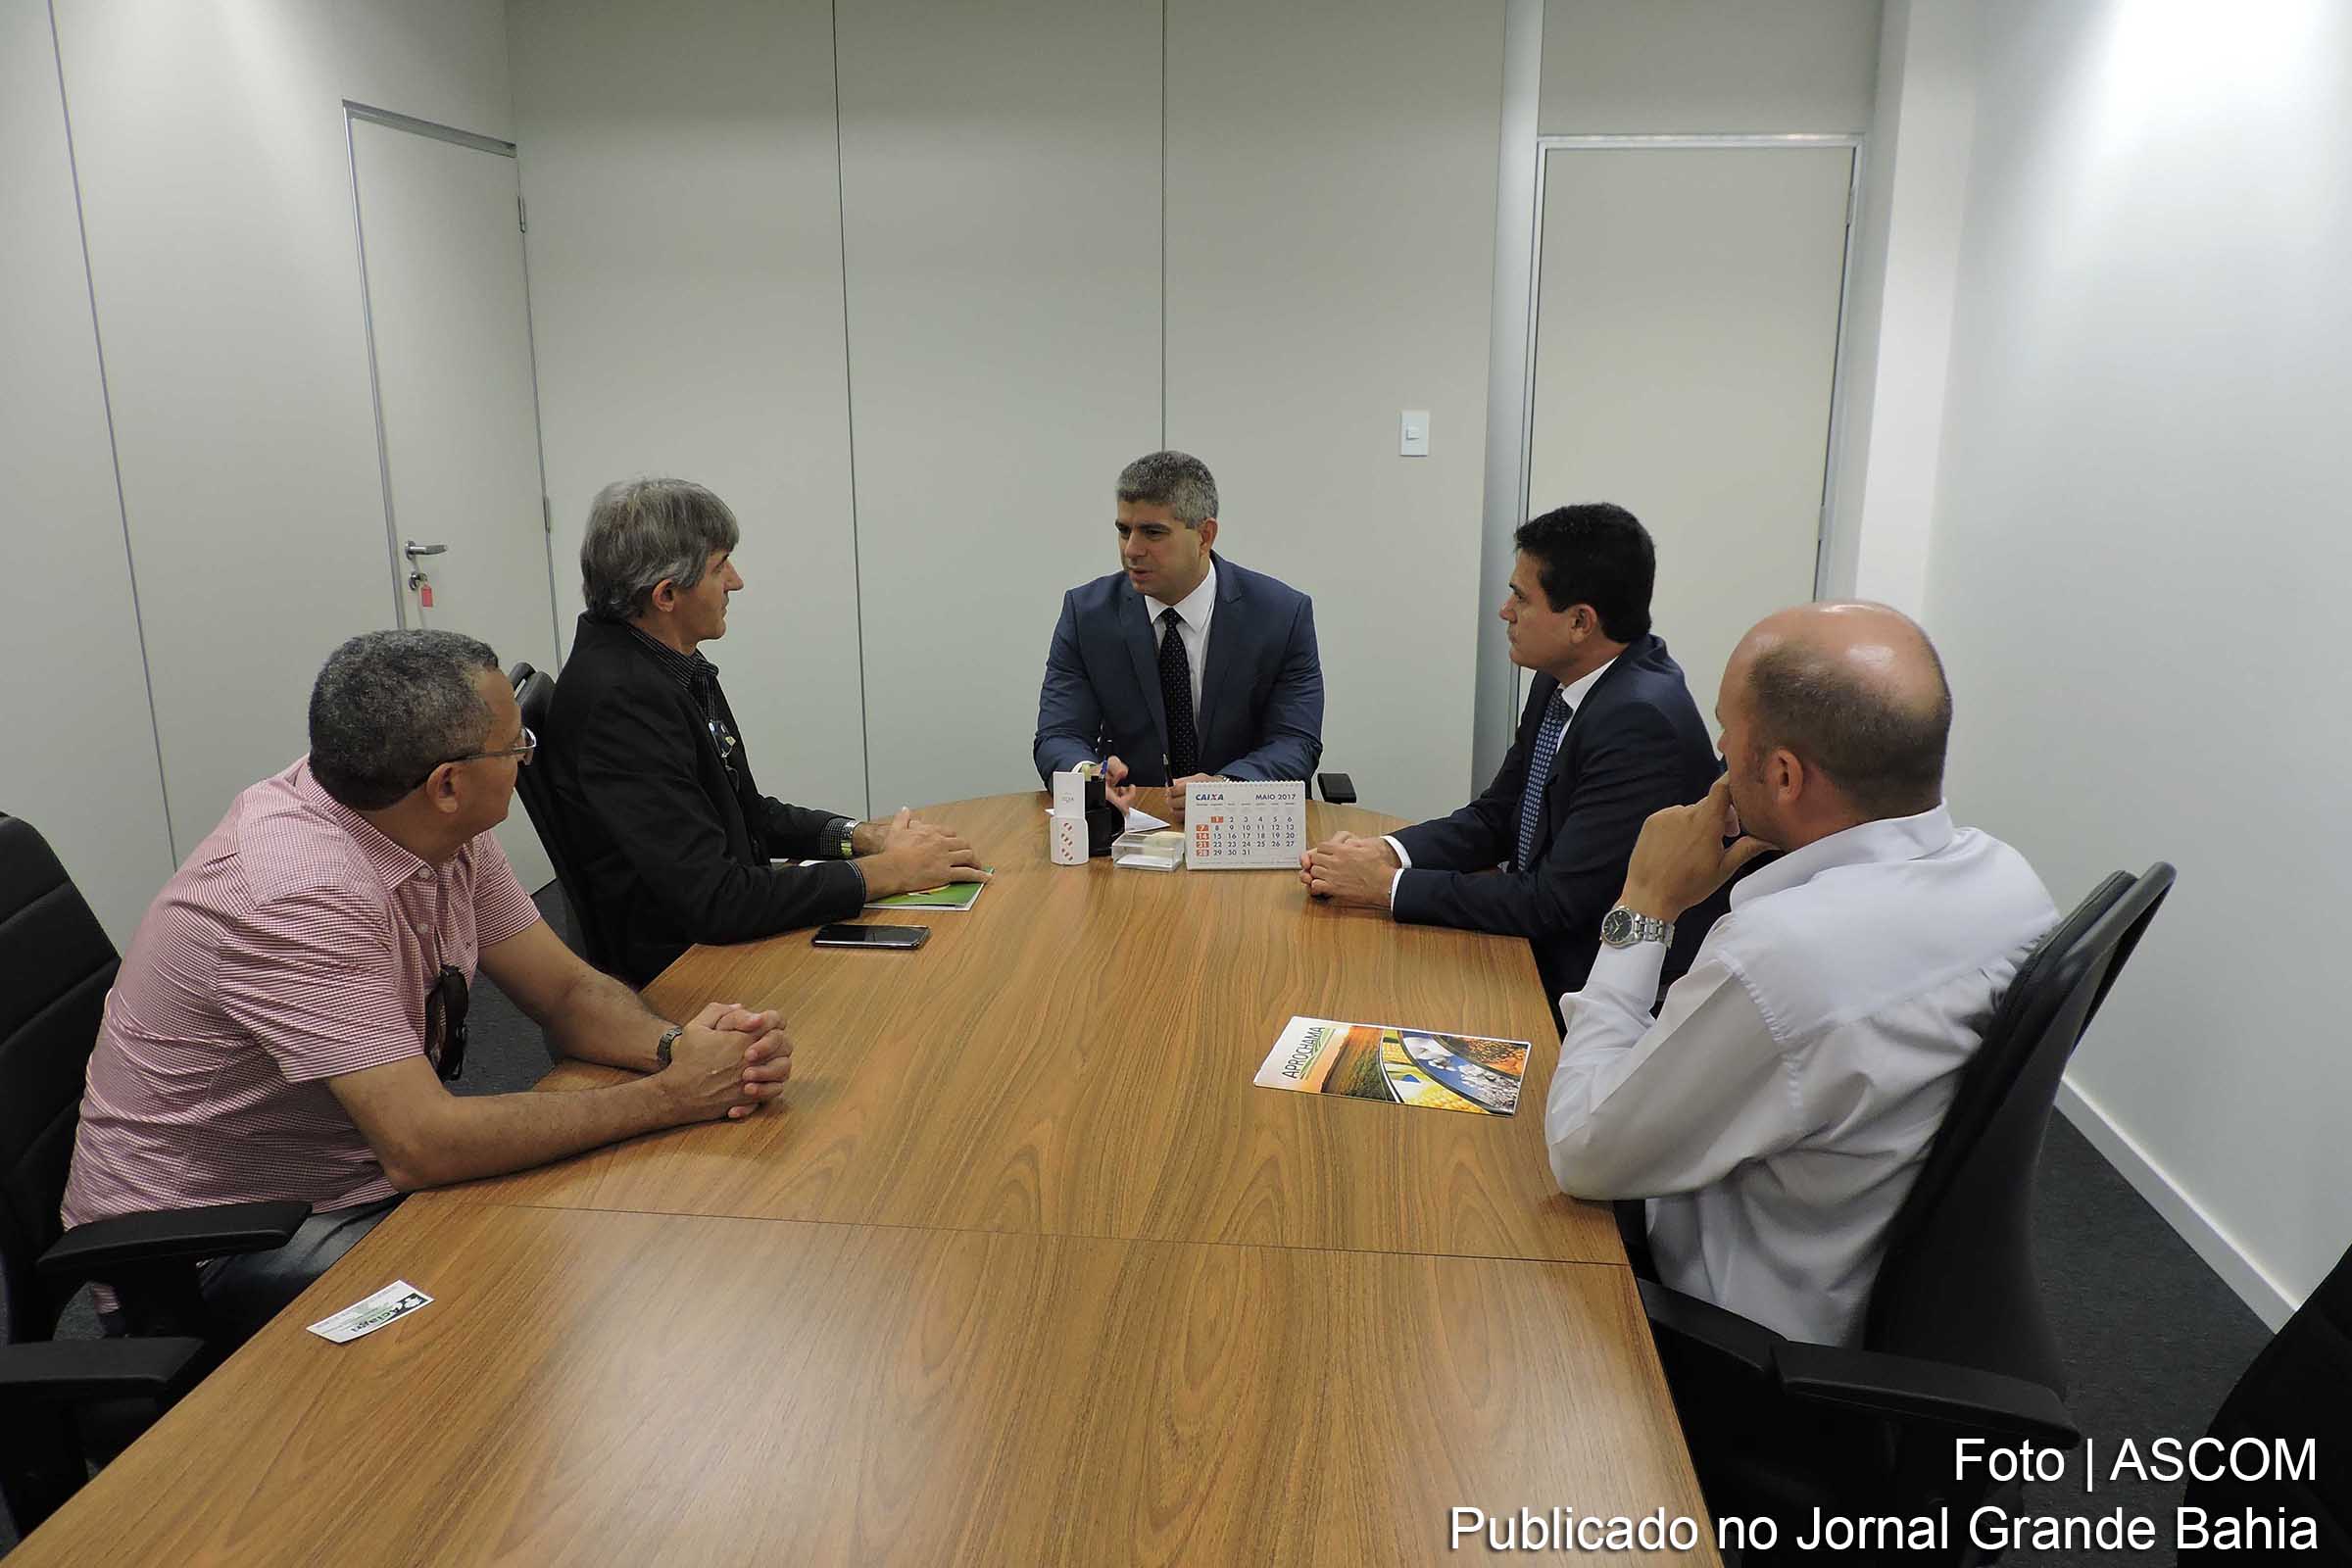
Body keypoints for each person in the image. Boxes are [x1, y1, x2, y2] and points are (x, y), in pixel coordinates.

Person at [63, 629, 794, 1343]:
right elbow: (424, 1146)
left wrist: (682, 1052)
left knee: (608, 1239)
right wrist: (671, 1097)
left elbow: (567, 995)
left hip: (353, 1175)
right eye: (518, 750)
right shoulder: (295, 892)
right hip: (209, 1252)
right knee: (533, 1302)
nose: (526, 762)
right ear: (448, 783)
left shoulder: (425, 817)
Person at [1544, 602, 2058, 1348]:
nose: (1717, 748)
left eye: (1727, 730)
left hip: (1731, 1342)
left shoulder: (1783, 957)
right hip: (1863, 1269)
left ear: (1784, 775)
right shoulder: (2008, 882)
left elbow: (1582, 1154)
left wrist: (1645, 904)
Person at [546, 477, 985, 985]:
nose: (736, 581)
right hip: (687, 973)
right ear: (666, 595)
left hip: (718, 937)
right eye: (718, 567)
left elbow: (743, 809)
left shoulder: (659, 664)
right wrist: (890, 873)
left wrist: (865, 839)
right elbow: (718, 902)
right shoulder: (621, 702)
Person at [1300, 503, 1723, 1005]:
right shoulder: (1561, 677)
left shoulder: (1640, 721)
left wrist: (1387, 887)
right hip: (1532, 947)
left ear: (1580, 622)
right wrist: (1387, 852)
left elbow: (1553, 902)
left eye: (1521, 598)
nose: (1505, 611)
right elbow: (1499, 816)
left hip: (1585, 986)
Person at [1033, 450, 1323, 818]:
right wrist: (1087, 777)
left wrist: (1228, 789)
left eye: (1153, 533)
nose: (1131, 551)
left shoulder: (1281, 614)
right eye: (1124, 531)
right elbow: (1058, 735)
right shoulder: (1087, 614)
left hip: (1240, 824)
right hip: (1131, 822)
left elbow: (1295, 742)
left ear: (1204, 536)